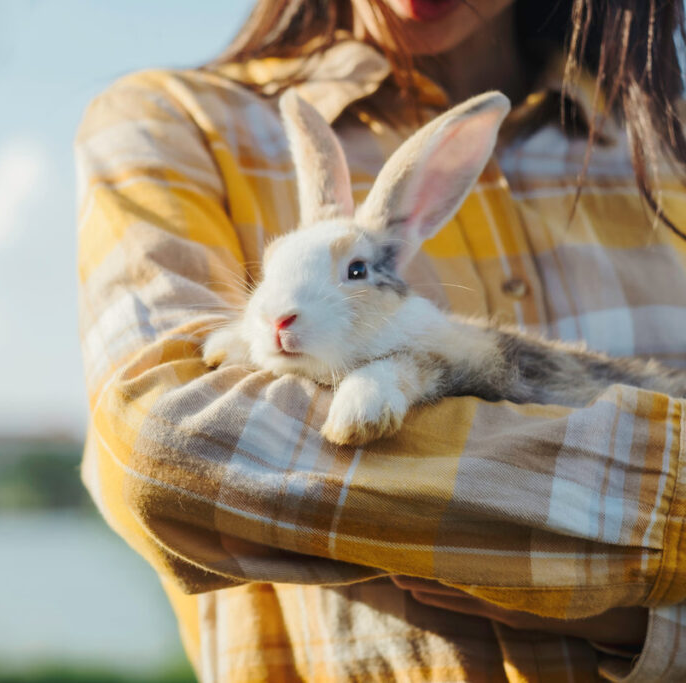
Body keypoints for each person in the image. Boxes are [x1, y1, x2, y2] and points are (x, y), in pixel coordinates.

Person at [74, 1, 686, 680]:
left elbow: (455, 367)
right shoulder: (170, 121)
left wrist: (637, 617)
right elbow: (171, 447)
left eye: (354, 273)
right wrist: (622, 551)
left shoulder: (668, 143)